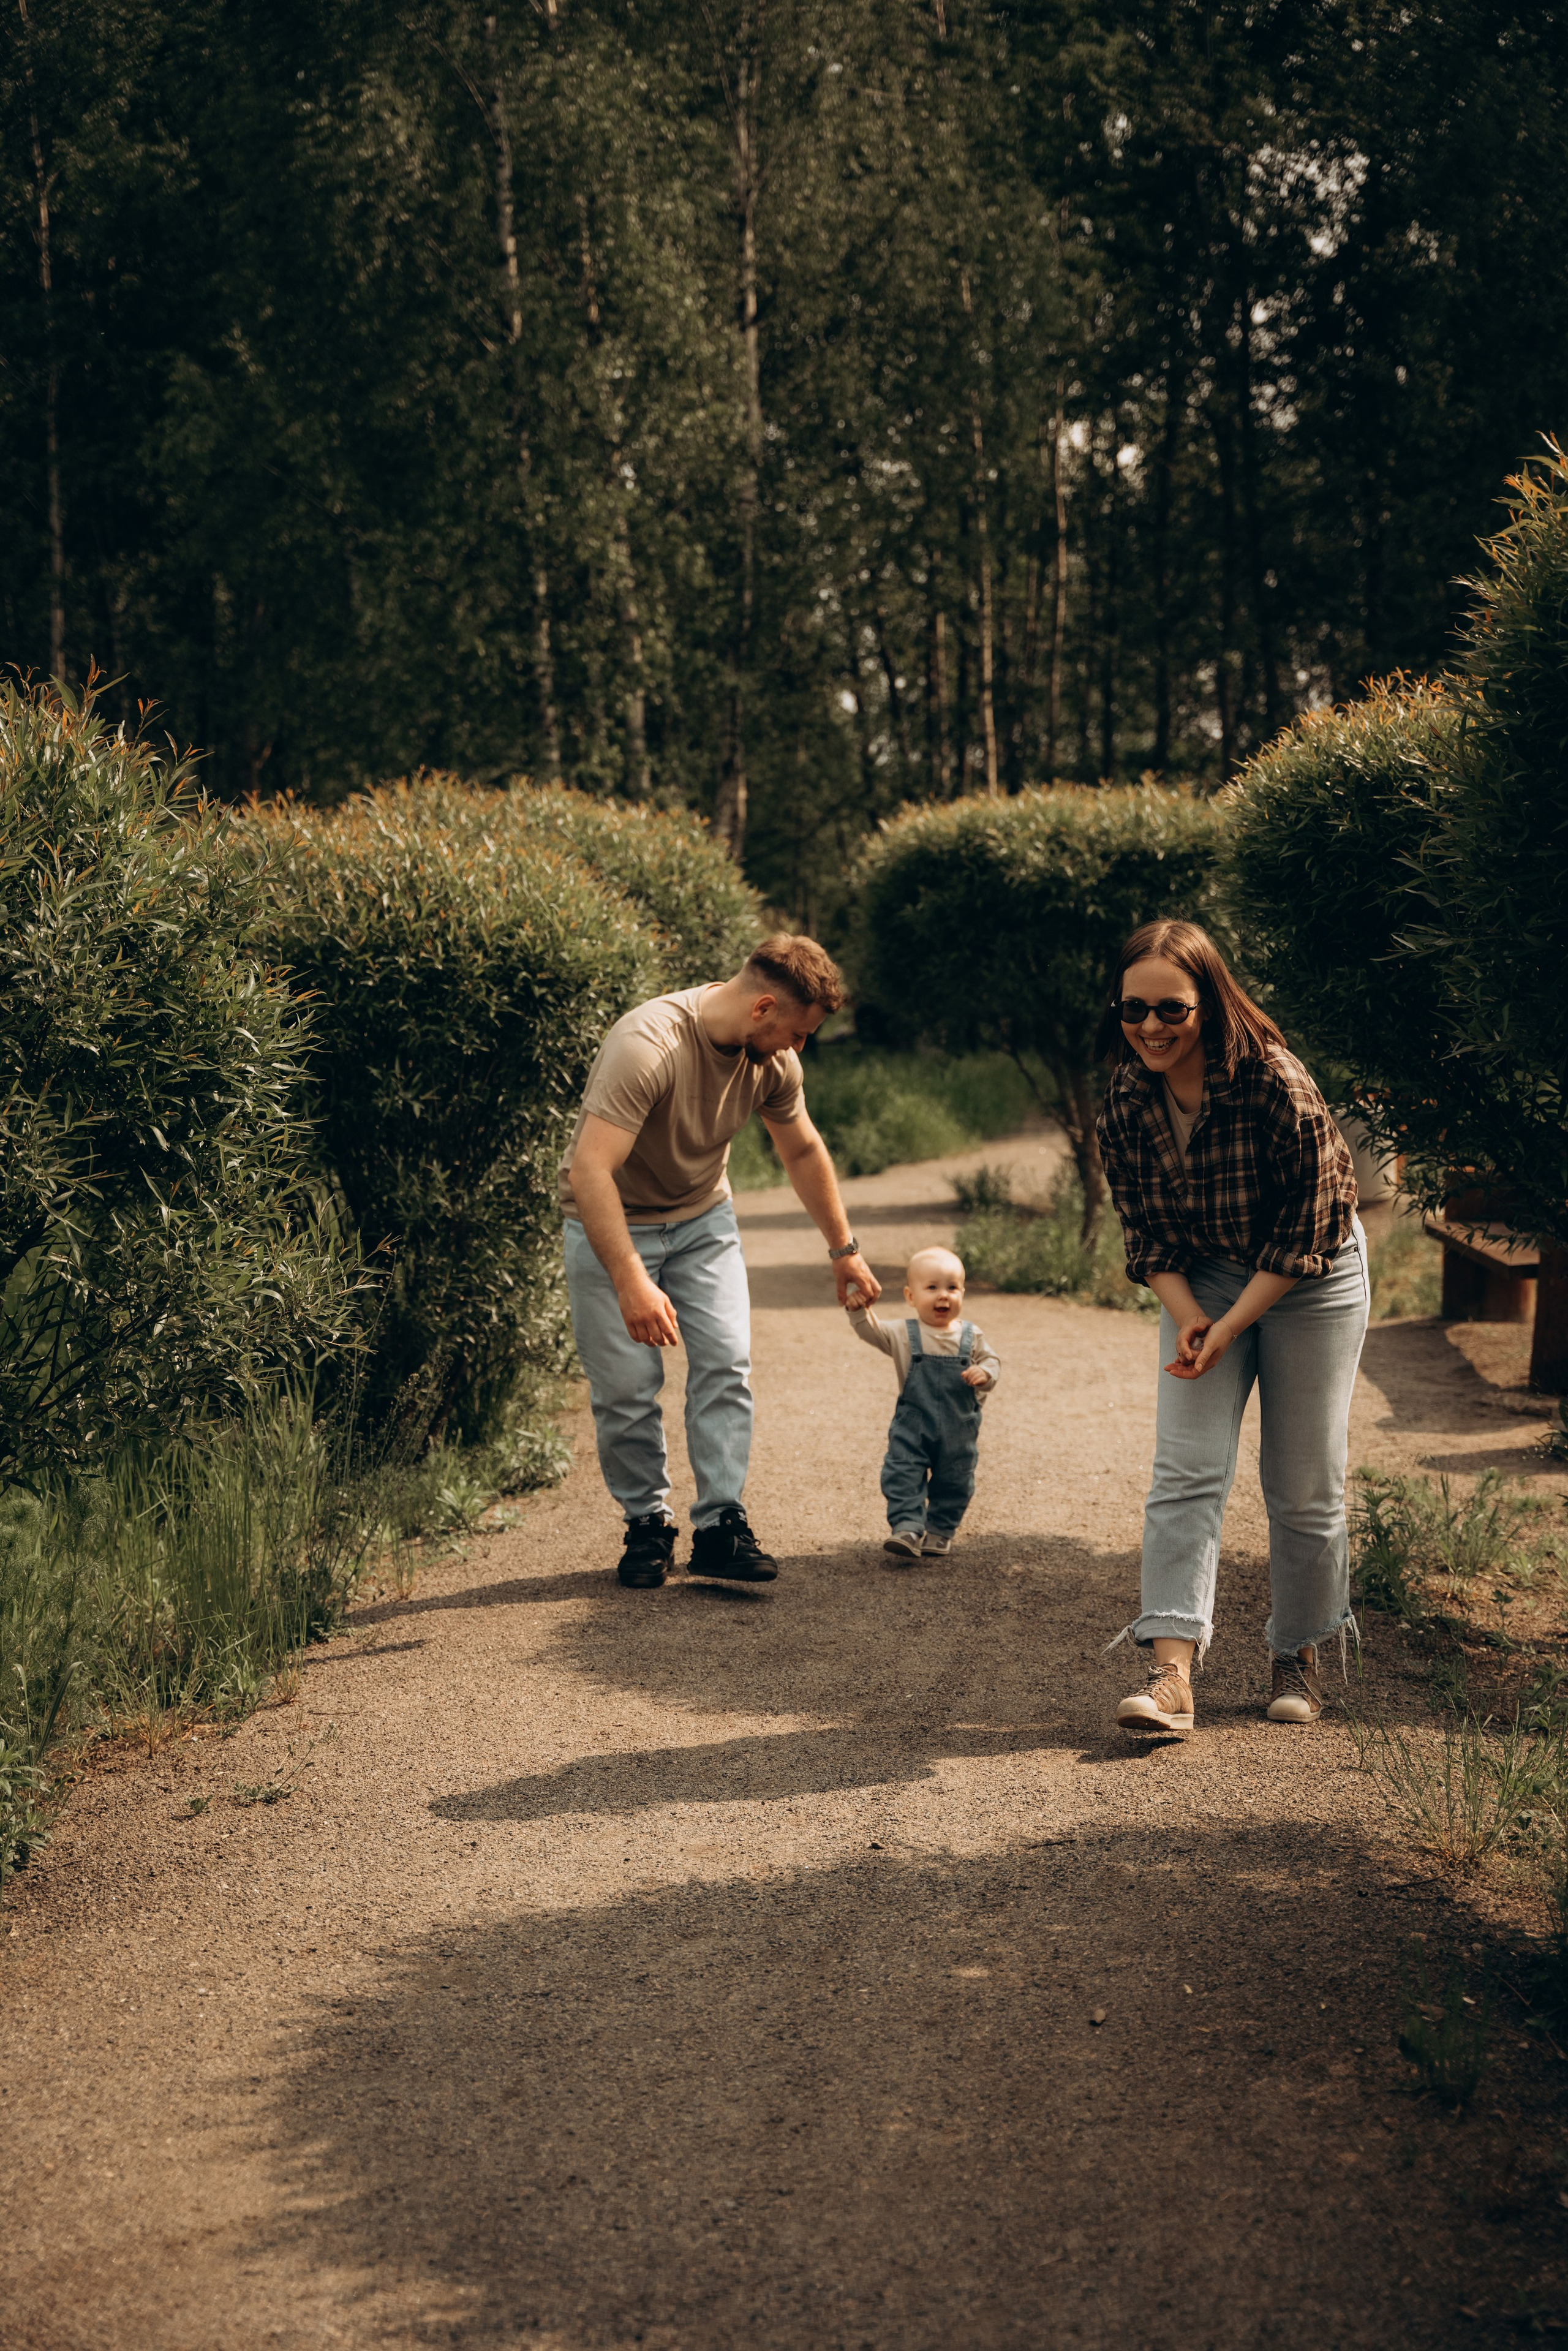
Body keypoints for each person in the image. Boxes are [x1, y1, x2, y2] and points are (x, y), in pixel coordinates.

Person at [1094, 918, 1368, 1735]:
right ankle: (1171, 1675)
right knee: (1186, 1469)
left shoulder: (1274, 1081)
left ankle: (1300, 1654)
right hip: (1206, 1269)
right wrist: (1188, 1317)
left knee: (1304, 1482)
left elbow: (1313, 1222)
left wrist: (1232, 1323)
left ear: (1207, 1007)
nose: (1150, 1027)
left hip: (1311, 1273)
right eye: (1133, 1009)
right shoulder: (1125, 1094)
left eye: (1171, 1011)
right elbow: (1145, 1228)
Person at [562, 935, 881, 1589]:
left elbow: (801, 1150)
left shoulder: (772, 1064)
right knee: (625, 1390)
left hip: (703, 1219)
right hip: (612, 1223)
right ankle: (647, 1523)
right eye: (797, 1033)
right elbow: (590, 1169)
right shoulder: (647, 1045)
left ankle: (718, 1526)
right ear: (764, 1007)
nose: (799, 1049)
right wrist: (629, 1279)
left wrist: (844, 1250)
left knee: (726, 1362)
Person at [846, 1246, 1000, 1560]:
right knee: (902, 1471)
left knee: (955, 1478)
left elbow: (992, 1361)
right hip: (913, 1424)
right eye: (932, 1288)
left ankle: (941, 1530)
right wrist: (858, 1311)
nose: (943, 1296)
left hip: (959, 1428)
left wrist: (984, 1372)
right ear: (910, 1296)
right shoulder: (903, 1333)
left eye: (952, 1288)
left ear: (963, 1293)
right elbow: (870, 1330)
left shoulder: (971, 1335)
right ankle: (907, 1526)